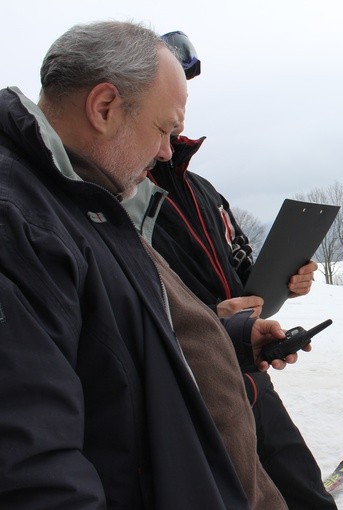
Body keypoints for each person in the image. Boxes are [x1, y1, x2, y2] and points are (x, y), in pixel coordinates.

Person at [0, 21, 289, 509]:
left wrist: (229, 340)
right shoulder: (21, 223)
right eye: (164, 129)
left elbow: (110, 348)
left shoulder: (85, 199)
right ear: (105, 108)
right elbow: (33, 469)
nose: (164, 151)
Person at [123, 30, 337, 510]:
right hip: (188, 378)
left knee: (300, 482)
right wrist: (213, 320)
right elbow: (130, 296)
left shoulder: (201, 189)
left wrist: (287, 283)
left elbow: (241, 268)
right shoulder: (122, 192)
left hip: (246, 366)